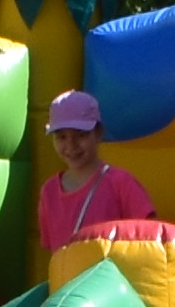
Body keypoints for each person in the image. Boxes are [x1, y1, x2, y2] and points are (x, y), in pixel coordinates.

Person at [34, 84, 159, 246]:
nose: (71, 146)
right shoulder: (49, 191)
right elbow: (53, 250)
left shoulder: (121, 183)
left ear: (98, 133)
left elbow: (151, 238)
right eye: (62, 137)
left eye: (81, 135)